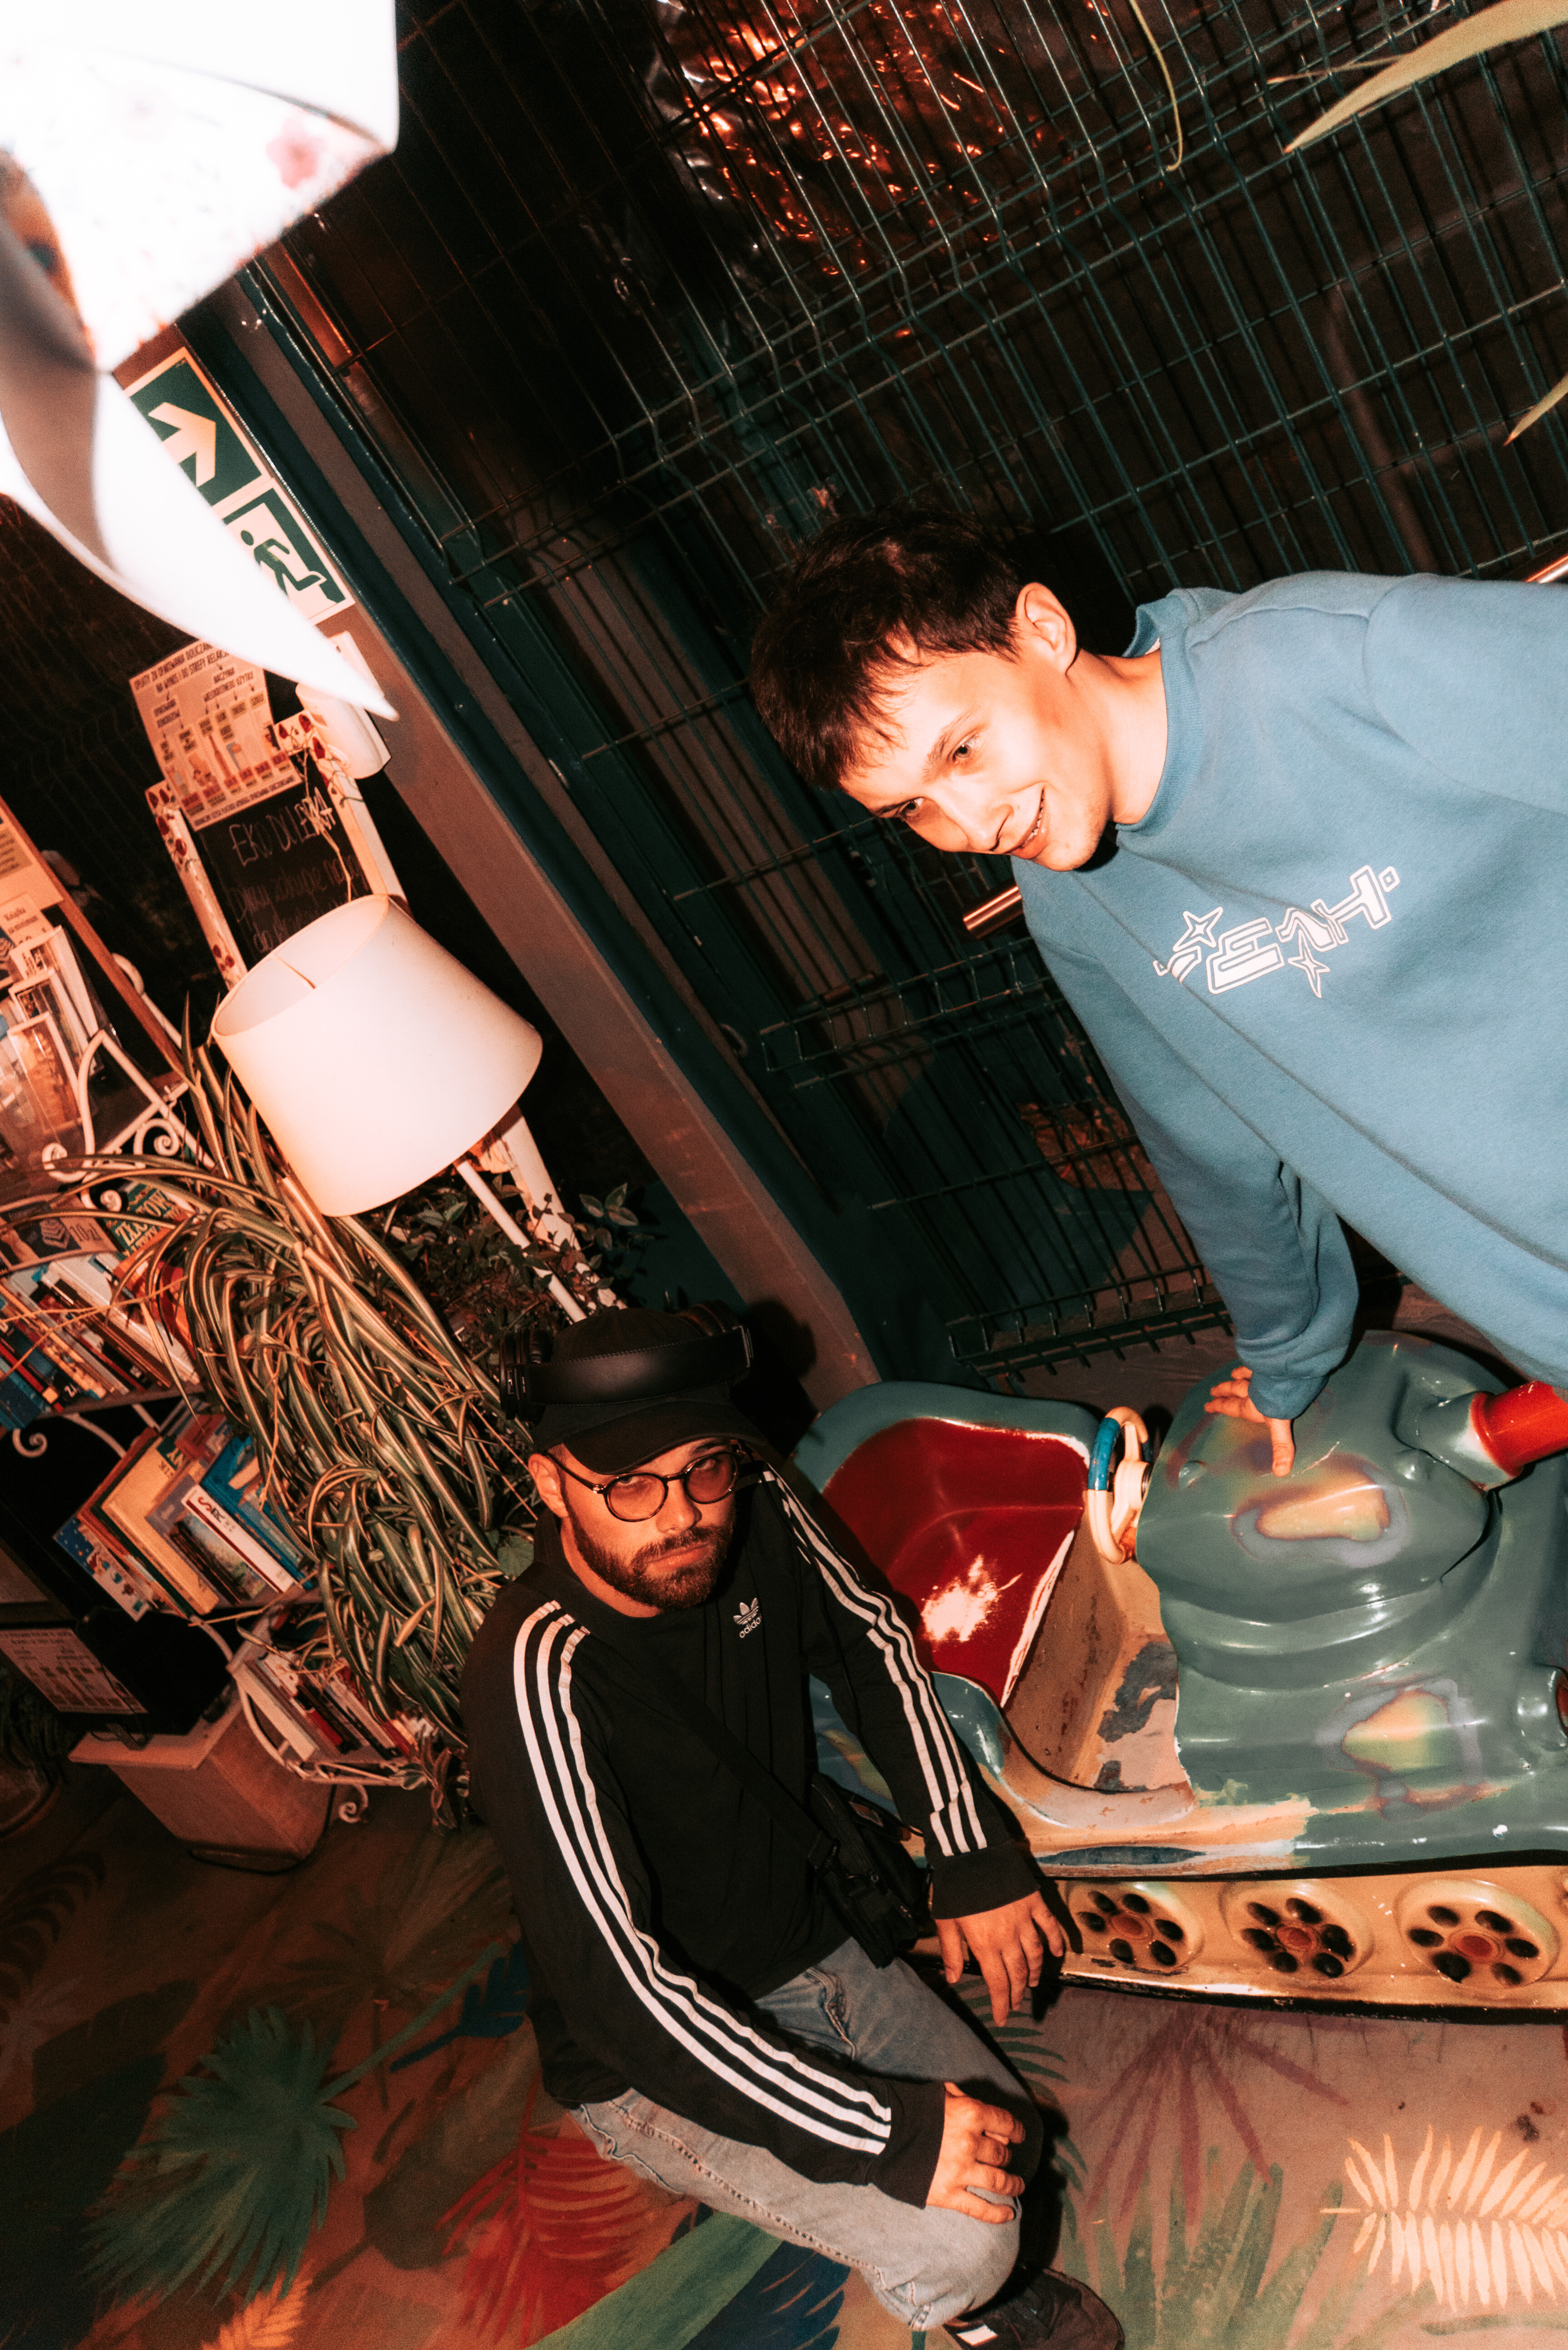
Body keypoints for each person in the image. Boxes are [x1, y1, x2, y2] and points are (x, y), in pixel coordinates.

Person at [748, 504, 1568, 1476]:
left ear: (1043, 629)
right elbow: (1211, 1149)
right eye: (911, 809)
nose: (970, 826)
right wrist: (1286, 1356)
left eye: (961, 750)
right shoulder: (1072, 905)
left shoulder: (1340, 661)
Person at [462, 1306, 1122, 2348]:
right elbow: (625, 1993)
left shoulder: (757, 1503)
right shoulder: (532, 1672)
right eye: (629, 1486)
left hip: (807, 1941)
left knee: (1012, 2143)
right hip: (645, 2055)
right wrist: (886, 2134)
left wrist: (970, 1855)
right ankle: (969, 2307)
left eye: (703, 1469)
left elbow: (871, 1643)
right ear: (551, 1484)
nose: (681, 1515)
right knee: (967, 2240)